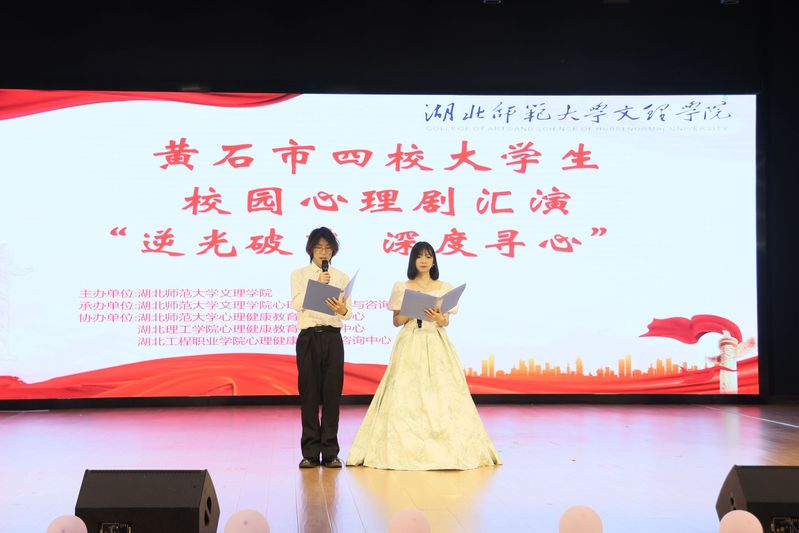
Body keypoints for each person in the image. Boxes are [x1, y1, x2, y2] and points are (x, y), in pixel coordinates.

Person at [346, 241, 501, 470]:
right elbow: (396, 320)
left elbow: (445, 321)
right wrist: (412, 310)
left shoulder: (444, 286)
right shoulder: (402, 286)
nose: (424, 260)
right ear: (413, 260)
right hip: (410, 340)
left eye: (428, 256)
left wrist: (439, 318)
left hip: (436, 341)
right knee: (405, 392)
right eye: (419, 256)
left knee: (442, 392)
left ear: (434, 261)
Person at [290, 227, 352, 468]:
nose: (323, 252)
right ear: (311, 249)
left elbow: (348, 313)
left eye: (328, 248)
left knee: (332, 396)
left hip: (332, 337)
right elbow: (297, 303)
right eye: (319, 247)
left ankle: (330, 453)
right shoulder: (299, 274)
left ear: (333, 251)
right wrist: (316, 284)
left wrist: (341, 309)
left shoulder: (341, 277)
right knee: (309, 395)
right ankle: (309, 453)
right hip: (308, 338)